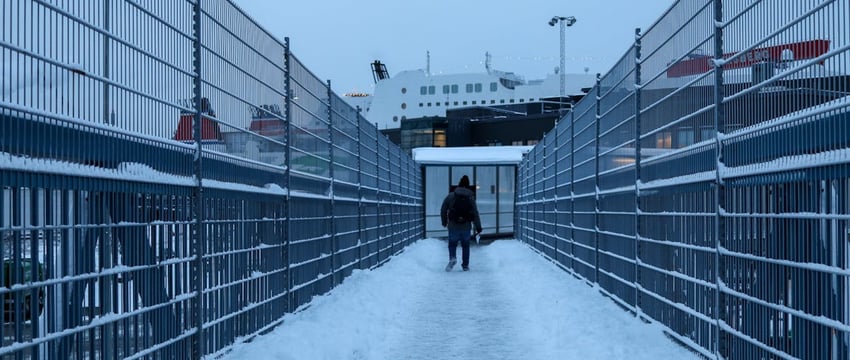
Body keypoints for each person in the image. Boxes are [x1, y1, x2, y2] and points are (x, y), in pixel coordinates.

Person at [440, 175, 482, 271]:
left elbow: (443, 209)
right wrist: (478, 227)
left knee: (452, 244)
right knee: (466, 245)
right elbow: (475, 213)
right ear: (468, 185)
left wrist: (444, 221)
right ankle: (465, 265)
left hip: (453, 225)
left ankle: (452, 258)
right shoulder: (470, 197)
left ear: (459, 184)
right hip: (466, 226)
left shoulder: (451, 196)